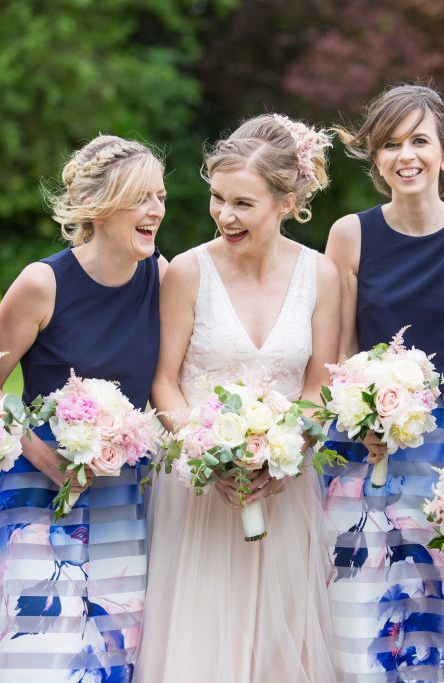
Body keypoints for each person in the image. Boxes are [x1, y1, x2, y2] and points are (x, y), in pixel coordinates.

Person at [136, 113, 341, 682]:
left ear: (287, 200)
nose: (225, 215)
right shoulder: (186, 272)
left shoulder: (321, 275)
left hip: (284, 485)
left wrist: (282, 454)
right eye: (217, 199)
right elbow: (164, 381)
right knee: (201, 638)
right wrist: (206, 451)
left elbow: (319, 386)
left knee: (280, 643)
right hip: (199, 488)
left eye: (243, 203)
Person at [0, 135, 167, 680]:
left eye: (160, 197)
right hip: (36, 492)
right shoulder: (42, 282)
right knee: (38, 651)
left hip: (121, 493)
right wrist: (39, 455)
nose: (157, 211)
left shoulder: (162, 277)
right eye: (142, 197)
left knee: (115, 646)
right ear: (101, 207)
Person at [322, 84, 444, 680]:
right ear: (375, 160)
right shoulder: (352, 233)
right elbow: (340, 351)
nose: (406, 156)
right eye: (390, 144)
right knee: (368, 594)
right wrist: (362, 420)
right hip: (364, 435)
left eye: (420, 140)